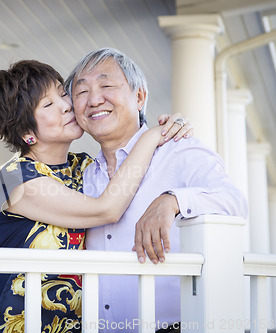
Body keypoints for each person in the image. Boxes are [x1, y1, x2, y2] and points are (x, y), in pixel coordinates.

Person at [0, 59, 192, 333]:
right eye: (48, 105)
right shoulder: (16, 178)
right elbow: (107, 209)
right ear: (26, 133)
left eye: (62, 93)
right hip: (18, 323)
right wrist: (153, 136)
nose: (66, 105)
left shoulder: (84, 167)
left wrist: (174, 130)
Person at [64, 47, 248, 332]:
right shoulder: (83, 175)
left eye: (106, 85)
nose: (94, 100)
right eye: (81, 92)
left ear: (140, 97)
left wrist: (173, 200)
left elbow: (234, 202)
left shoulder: (179, 150)